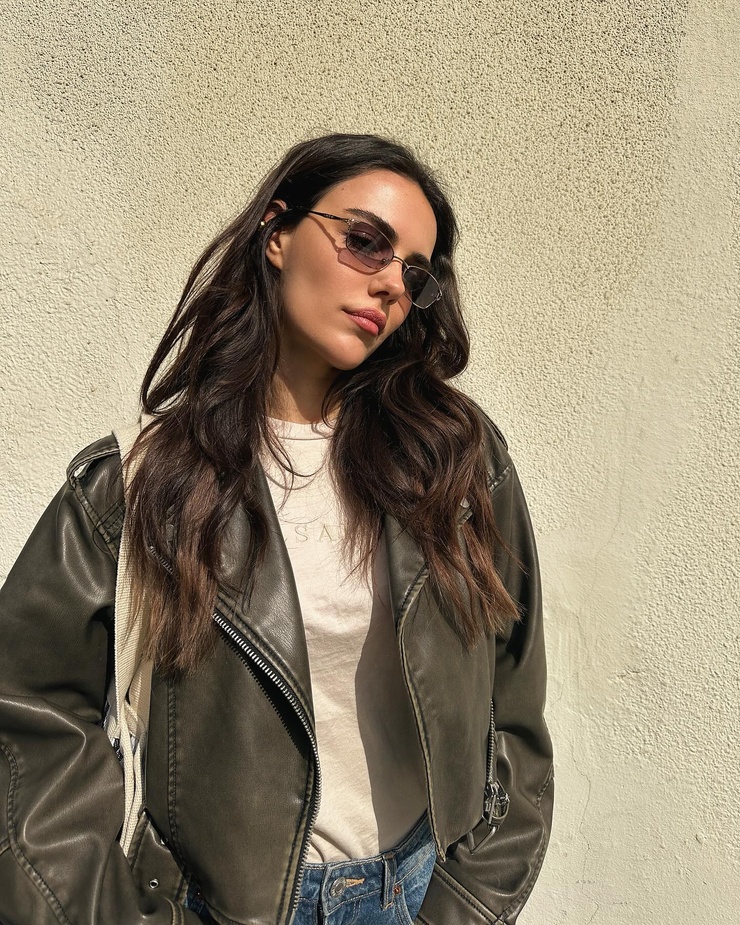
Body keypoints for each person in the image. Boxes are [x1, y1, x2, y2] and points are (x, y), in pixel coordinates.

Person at [0, 134, 553, 925]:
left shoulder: (454, 461)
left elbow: (514, 708)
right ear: (278, 233)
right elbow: (28, 718)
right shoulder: (143, 481)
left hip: (419, 896)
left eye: (416, 273)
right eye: (367, 241)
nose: (391, 284)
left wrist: (468, 900)